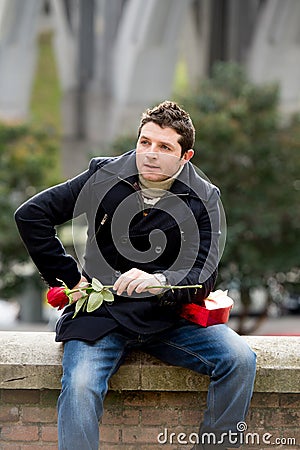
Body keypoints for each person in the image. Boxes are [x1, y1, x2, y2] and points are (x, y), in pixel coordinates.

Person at [15, 101, 256, 450]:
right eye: (145, 142)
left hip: (169, 318)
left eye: (164, 147)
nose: (150, 154)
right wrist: (68, 278)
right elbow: (31, 215)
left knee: (240, 360)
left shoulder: (205, 198)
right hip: (101, 316)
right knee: (80, 386)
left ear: (185, 156)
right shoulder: (104, 175)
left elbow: (203, 277)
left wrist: (160, 282)